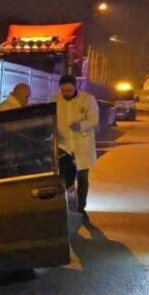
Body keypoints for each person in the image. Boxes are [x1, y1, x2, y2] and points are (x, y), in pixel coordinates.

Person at [54, 74, 99, 223]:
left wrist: (80, 125)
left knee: (82, 179)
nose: (66, 93)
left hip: (82, 145)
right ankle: (67, 209)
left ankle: (81, 209)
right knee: (66, 180)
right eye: (63, 90)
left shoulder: (87, 99)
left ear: (76, 87)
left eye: (69, 90)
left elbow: (94, 119)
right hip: (63, 146)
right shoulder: (55, 100)